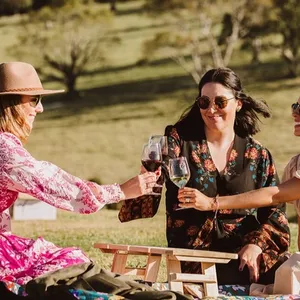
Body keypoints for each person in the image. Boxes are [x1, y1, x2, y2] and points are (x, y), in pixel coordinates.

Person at [119, 68, 290, 285]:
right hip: (195, 256)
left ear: (238, 103)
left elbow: (277, 213)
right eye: (204, 102)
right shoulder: (178, 143)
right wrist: (146, 177)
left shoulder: (258, 155)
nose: (211, 109)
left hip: (243, 255)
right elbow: (146, 203)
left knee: (287, 273)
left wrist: (256, 244)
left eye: (220, 102)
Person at [0, 61, 158, 285]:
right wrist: (120, 191)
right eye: (34, 99)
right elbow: (55, 185)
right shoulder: (4, 149)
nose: (40, 108)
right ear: (11, 104)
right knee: (71, 263)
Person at [178, 97, 300, 248]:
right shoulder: (295, 165)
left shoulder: (257, 153)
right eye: (295, 106)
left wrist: (211, 203)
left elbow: (276, 195)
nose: (295, 114)